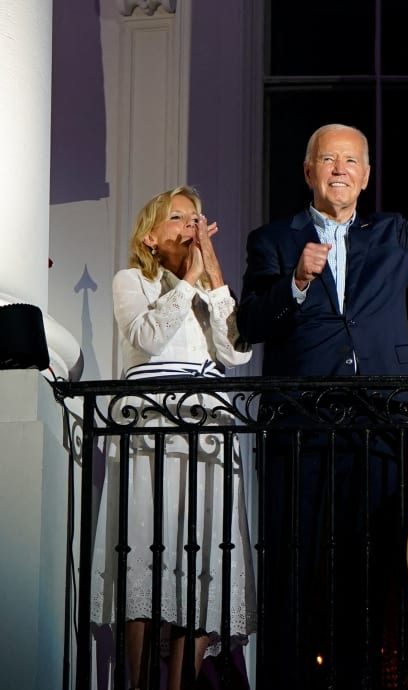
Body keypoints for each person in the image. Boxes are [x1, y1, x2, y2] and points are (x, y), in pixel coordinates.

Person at [236, 72, 408, 688]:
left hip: (384, 422)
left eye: (351, 161)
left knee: (375, 569)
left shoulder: (397, 234)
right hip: (302, 427)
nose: (339, 169)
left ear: (367, 174)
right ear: (308, 172)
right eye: (327, 159)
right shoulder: (274, 240)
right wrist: (296, 283)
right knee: (296, 569)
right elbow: (250, 322)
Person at [91, 186, 256, 690]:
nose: (191, 225)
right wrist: (187, 281)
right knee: (149, 547)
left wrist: (215, 276)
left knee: (203, 555)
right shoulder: (132, 281)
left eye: (196, 218)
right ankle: (138, 682)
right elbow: (146, 337)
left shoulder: (205, 290)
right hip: (153, 434)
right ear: (149, 236)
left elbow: (236, 353)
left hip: (207, 433)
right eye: (178, 218)